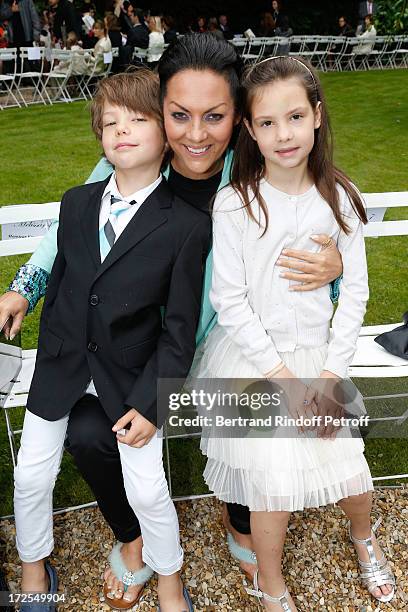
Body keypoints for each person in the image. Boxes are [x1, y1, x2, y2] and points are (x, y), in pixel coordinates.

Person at [0, 34, 343, 606]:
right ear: (159, 115)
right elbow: (67, 237)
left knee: (254, 411)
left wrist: (330, 266)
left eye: (215, 116)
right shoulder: (130, 163)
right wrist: (23, 289)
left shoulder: (255, 174)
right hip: (133, 350)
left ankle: (238, 520)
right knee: (88, 433)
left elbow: (314, 238)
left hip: (223, 342)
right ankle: (133, 539)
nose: (195, 134)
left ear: (238, 119)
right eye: (179, 115)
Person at [191, 55, 396, 609]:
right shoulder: (236, 203)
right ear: (250, 132)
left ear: (317, 117)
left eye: (295, 117)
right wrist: (283, 380)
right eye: (266, 122)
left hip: (320, 357)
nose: (284, 134)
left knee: (351, 471)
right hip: (257, 364)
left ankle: (364, 540)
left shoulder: (342, 200)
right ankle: (272, 582)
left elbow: (354, 293)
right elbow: (228, 300)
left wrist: (330, 376)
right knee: (271, 484)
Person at [12, 69, 209, 612]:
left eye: (137, 119)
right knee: (30, 474)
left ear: (166, 133)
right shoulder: (76, 202)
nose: (120, 130)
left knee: (147, 490)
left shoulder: (186, 224)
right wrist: (25, 299)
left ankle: (169, 577)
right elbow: (63, 283)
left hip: (129, 380)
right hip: (60, 366)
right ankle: (33, 568)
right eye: (109, 123)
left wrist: (152, 402)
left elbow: (179, 330)